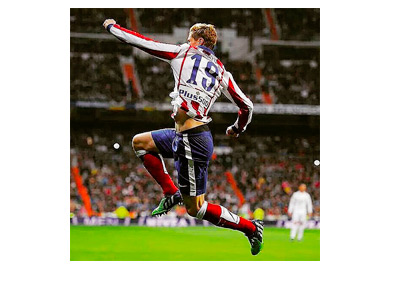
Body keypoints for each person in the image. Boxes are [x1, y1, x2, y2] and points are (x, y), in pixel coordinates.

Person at [103, 19, 263, 255]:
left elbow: (143, 43)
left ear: (198, 41)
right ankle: (170, 191)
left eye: (190, 38)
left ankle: (251, 228)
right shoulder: (222, 73)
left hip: (192, 141)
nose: (186, 42)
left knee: (195, 209)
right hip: (185, 135)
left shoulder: (182, 53)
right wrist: (236, 129)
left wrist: (112, 27)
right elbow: (247, 106)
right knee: (140, 142)